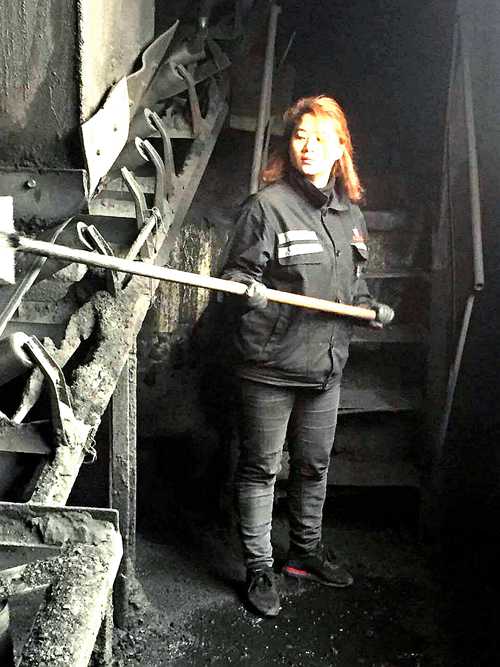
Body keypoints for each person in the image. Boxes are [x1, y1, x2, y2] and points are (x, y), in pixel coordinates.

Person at [220, 95, 394, 617]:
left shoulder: (350, 215)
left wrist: (369, 309)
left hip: (325, 367)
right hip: (269, 367)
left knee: (314, 465)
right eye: (300, 136)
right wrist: (245, 290)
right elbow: (235, 276)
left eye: (321, 138)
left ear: (341, 148)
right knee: (260, 468)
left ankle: (304, 552)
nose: (308, 147)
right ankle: (259, 568)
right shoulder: (266, 207)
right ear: (289, 144)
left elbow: (352, 288)